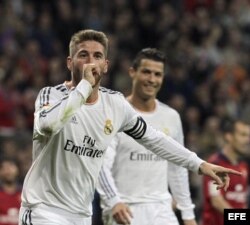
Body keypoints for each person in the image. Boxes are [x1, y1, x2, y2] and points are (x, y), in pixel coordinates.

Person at [18, 29, 241, 225]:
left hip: (81, 214)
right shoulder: (51, 94)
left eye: (97, 56)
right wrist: (84, 87)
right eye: (82, 55)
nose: (90, 62)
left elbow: (154, 139)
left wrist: (200, 164)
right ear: (69, 63)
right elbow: (47, 126)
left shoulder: (115, 104)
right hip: (43, 210)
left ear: (105, 65)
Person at [97, 48, 197, 225]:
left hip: (161, 209)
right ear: (132, 72)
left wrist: (188, 214)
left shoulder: (171, 116)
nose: (152, 79)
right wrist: (113, 201)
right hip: (124, 209)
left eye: (157, 74)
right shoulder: (114, 113)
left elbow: (177, 169)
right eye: (146, 72)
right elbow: (101, 165)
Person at [201, 119, 250, 225]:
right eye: (243, 135)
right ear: (229, 136)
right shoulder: (215, 164)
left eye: (248, 136)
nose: (247, 140)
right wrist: (241, 219)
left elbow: (241, 201)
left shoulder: (243, 166)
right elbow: (217, 202)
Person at [0, 157, 21, 225]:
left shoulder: (26, 195)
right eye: (4, 168)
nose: (8, 170)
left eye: (11, 166)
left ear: (18, 169)